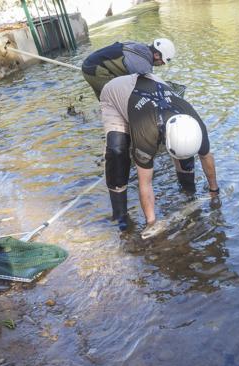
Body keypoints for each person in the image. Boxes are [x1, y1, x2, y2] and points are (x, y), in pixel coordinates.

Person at [100, 72, 219, 230]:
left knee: (186, 159)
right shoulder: (146, 132)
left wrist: (214, 190)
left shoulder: (197, 126)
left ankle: (188, 192)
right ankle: (120, 216)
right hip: (117, 93)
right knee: (117, 152)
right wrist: (151, 222)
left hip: (154, 86)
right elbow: (145, 182)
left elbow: (206, 156)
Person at [82, 38, 176, 99]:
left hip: (89, 64)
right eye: (162, 61)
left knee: (105, 101)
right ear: (156, 54)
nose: (162, 64)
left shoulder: (138, 45)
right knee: (121, 101)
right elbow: (147, 89)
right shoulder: (143, 66)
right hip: (96, 71)